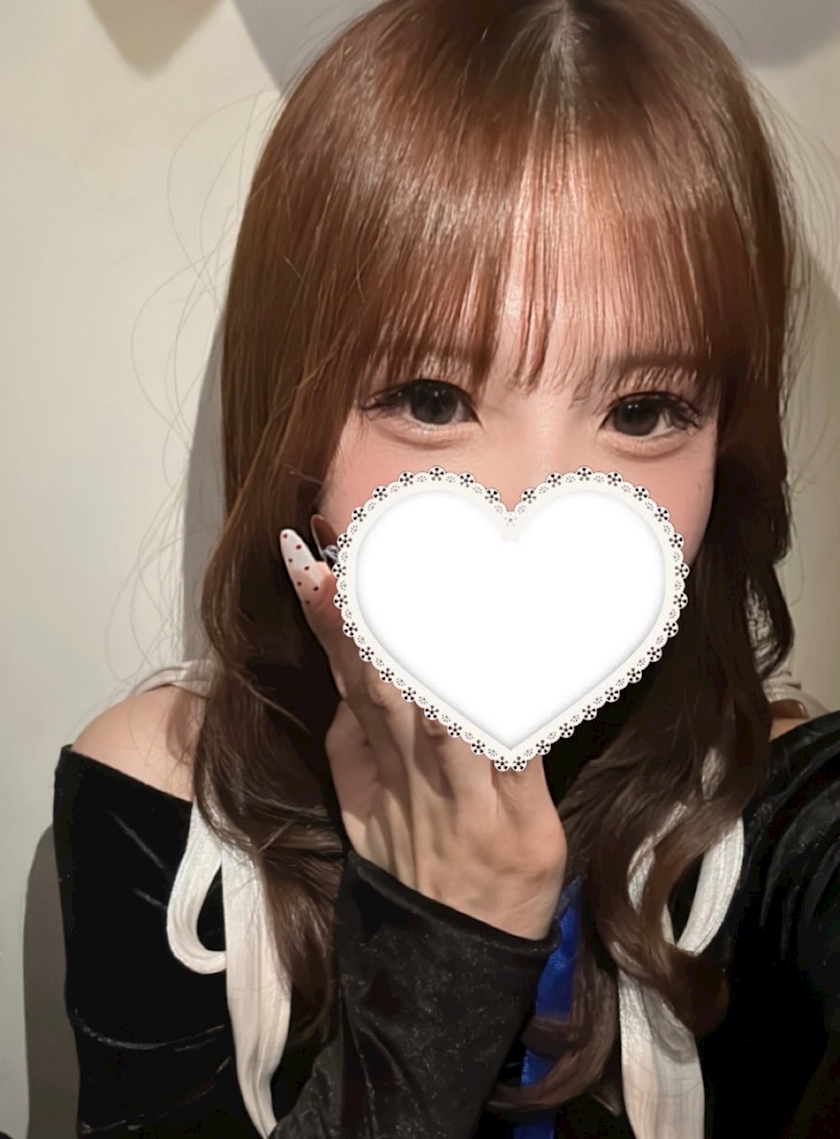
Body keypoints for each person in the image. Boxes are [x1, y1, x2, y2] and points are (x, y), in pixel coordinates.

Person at [53, 0, 840, 1136]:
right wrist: (446, 945)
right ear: (294, 424)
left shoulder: (767, 806)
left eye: (643, 410)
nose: (535, 500)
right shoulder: (169, 798)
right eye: (432, 399)